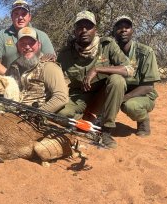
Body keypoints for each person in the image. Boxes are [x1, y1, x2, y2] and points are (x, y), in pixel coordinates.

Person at [57, 11, 134, 149]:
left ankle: (106, 131)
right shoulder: (65, 53)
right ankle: (86, 121)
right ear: (75, 31)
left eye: (88, 26)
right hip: (79, 96)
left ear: (95, 30)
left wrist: (98, 69)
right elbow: (55, 74)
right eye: (80, 27)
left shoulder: (107, 45)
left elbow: (129, 69)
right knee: (60, 115)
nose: (84, 30)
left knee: (117, 80)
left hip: (102, 96)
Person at [113, 16, 160, 136]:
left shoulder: (145, 52)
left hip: (142, 94)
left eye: (127, 27)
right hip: (118, 89)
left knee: (131, 106)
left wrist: (123, 98)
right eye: (119, 27)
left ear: (132, 31)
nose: (123, 30)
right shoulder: (110, 51)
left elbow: (148, 86)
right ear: (114, 31)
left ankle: (143, 121)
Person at [6, 26, 69, 113]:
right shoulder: (13, 67)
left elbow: (61, 97)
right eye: (23, 43)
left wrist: (37, 114)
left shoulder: (48, 67)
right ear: (17, 46)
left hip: (36, 118)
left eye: (31, 43)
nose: (27, 47)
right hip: (11, 113)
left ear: (39, 45)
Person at [0, 0, 55, 75]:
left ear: (29, 17)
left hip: (37, 83)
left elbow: (51, 61)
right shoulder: (3, 35)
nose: (20, 17)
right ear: (11, 17)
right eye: (16, 14)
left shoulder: (42, 35)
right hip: (11, 83)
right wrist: (11, 77)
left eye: (24, 14)